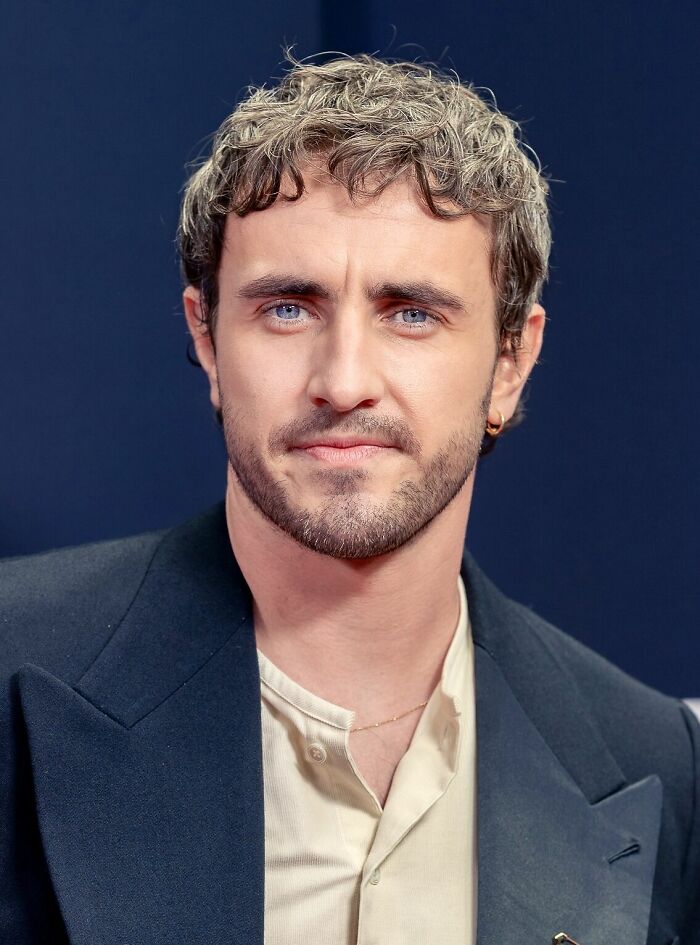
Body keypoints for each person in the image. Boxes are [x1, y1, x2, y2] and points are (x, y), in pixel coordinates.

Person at [1, 52, 698, 945]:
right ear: (207, 338)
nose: (343, 379)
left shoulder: (653, 762)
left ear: (511, 365)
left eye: (412, 312)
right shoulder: (18, 665)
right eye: (289, 307)